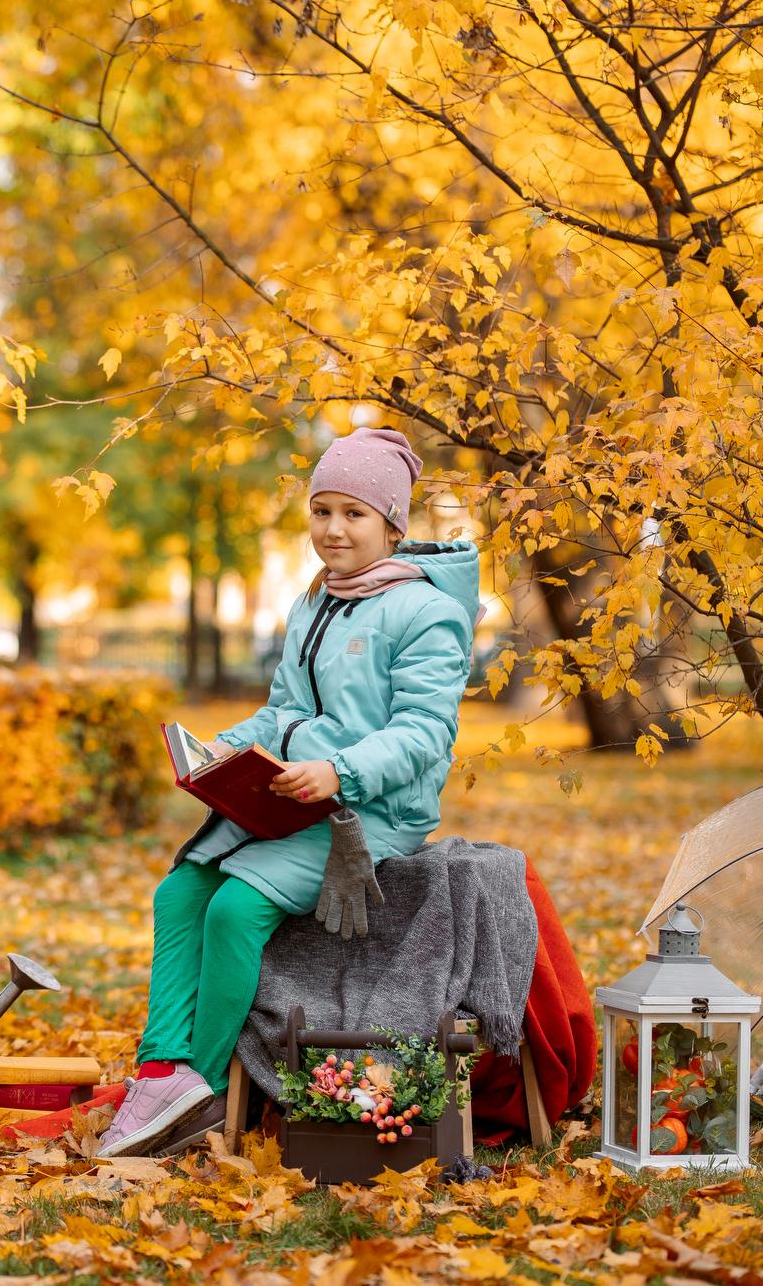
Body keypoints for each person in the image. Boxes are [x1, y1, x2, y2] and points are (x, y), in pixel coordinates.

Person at [99, 428, 481, 1158]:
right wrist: (225, 747)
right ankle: (159, 1068)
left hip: (367, 811)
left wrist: (341, 772)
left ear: (393, 525)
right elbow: (282, 709)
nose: (333, 529)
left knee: (237, 906)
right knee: (180, 891)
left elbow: (427, 733)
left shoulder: (426, 612)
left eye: (354, 513)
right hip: (292, 793)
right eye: (321, 510)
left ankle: (203, 1090)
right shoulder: (316, 601)